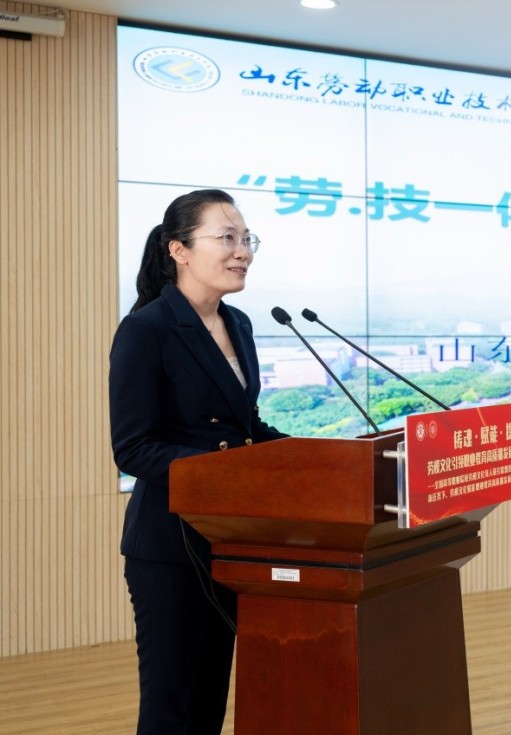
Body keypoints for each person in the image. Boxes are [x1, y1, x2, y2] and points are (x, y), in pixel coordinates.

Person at [109, 189, 287, 734]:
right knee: (171, 710)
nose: (243, 252)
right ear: (179, 250)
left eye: (247, 239)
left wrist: (318, 456)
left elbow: (246, 427)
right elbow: (133, 448)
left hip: (229, 539)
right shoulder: (147, 330)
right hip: (170, 545)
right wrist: (227, 471)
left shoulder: (240, 324)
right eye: (227, 238)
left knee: (209, 702)